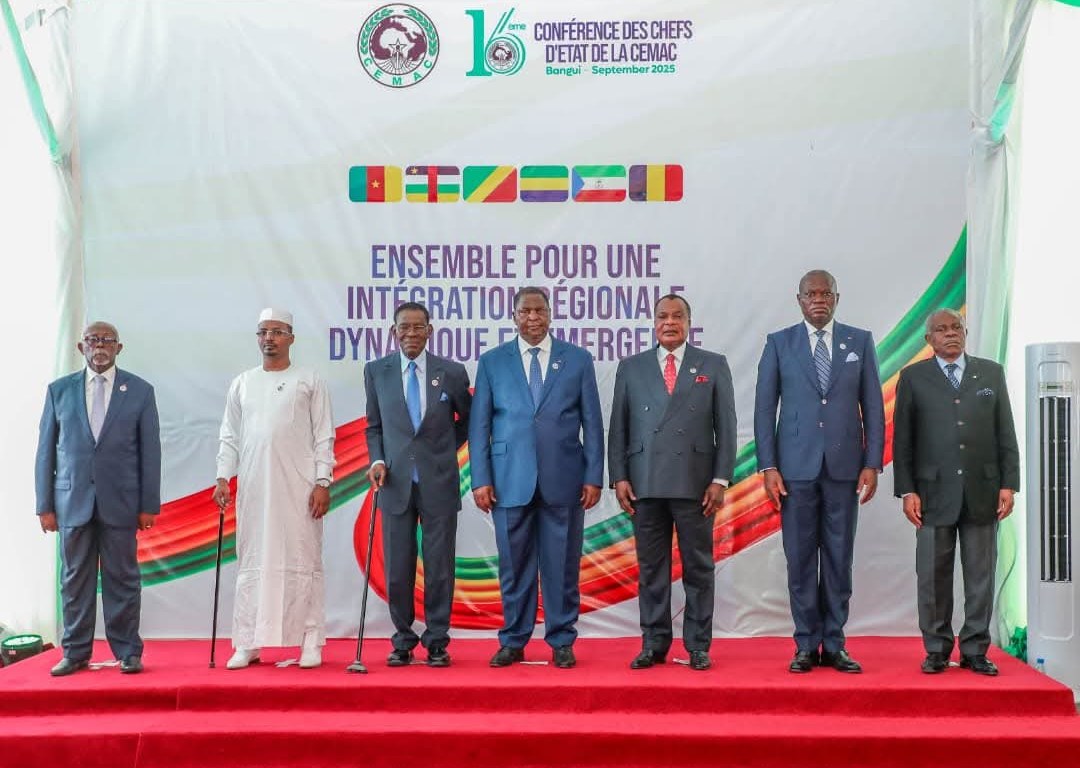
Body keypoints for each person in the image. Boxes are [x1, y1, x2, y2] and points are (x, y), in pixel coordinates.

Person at [753, 269, 885, 673]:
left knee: (839, 558)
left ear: (837, 298)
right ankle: (806, 645)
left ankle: (836, 643)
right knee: (800, 559)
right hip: (795, 471)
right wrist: (769, 466)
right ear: (799, 300)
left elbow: (873, 406)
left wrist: (872, 462)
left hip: (845, 469)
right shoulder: (779, 343)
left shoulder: (859, 341)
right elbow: (764, 409)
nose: (819, 300)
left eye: (826, 293)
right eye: (811, 294)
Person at [469, 287, 604, 669]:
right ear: (514, 316)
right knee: (514, 567)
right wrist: (481, 479)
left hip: (565, 479)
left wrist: (594, 476)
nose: (532, 317)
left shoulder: (577, 360)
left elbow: (593, 423)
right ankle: (514, 640)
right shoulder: (492, 362)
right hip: (508, 480)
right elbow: (479, 427)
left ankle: (561, 639)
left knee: (562, 566)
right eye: (525, 311)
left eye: (539, 310)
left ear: (550, 314)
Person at [608, 294, 737, 671]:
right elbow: (618, 427)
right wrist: (619, 476)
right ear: (653, 323)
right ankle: (653, 643)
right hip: (644, 482)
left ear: (688, 323)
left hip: (696, 483)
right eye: (663, 316)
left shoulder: (712, 364)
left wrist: (720, 479)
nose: (669, 322)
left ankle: (698, 644)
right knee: (652, 569)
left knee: (698, 567)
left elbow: (726, 427)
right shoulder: (631, 367)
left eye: (677, 316)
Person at [892, 308, 1019, 676]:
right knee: (932, 577)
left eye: (956, 327)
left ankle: (975, 650)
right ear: (928, 339)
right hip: (931, 494)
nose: (950, 334)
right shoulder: (913, 377)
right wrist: (907, 490)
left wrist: (1008, 484)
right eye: (941, 329)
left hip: (984, 490)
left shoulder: (991, 373)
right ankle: (936, 649)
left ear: (965, 331)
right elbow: (903, 440)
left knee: (981, 577)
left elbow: (1005, 432)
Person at [35, 321, 161, 676]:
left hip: (121, 503)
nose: (100, 346)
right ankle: (75, 652)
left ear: (119, 348)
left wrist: (148, 505)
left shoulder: (140, 391)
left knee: (123, 578)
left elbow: (150, 452)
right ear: (81, 347)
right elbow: (46, 452)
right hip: (71, 502)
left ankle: (128, 651)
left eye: (107, 340)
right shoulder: (59, 391)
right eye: (92, 340)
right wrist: (45, 505)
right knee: (74, 580)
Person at [212, 308, 336, 670]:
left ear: (291, 338)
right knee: (253, 562)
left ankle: (310, 640)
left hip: (299, 487)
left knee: (303, 560)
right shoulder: (243, 383)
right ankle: (247, 642)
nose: (269, 338)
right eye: (263, 332)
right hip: (254, 487)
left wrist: (322, 481)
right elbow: (229, 435)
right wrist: (223, 476)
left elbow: (324, 435)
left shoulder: (309, 380)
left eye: (277, 332)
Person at [364, 302, 472, 668]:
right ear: (393, 332)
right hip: (394, 483)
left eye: (417, 327)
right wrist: (378, 460)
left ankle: (437, 641)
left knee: (439, 567)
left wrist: (441, 450)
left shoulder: (451, 372)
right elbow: (374, 427)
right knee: (397, 568)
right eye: (404, 327)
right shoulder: (376, 371)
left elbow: (468, 420)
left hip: (439, 481)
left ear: (430, 331)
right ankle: (403, 640)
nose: (410, 333)